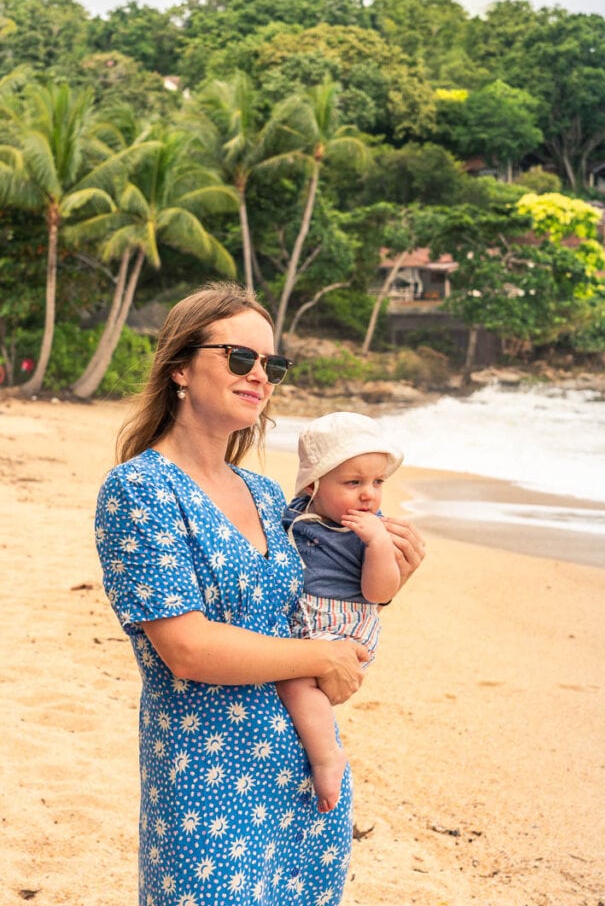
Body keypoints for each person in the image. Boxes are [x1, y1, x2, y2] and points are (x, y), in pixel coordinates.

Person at [94, 281, 424, 906]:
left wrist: (388, 578)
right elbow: (187, 649)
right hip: (206, 784)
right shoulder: (140, 489)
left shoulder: (269, 497)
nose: (260, 376)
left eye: (271, 365)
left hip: (304, 772)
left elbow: (311, 612)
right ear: (180, 369)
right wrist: (318, 659)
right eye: (240, 357)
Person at [278, 412, 404, 814]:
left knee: (294, 681)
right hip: (306, 617)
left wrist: (380, 546)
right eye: (354, 483)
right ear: (314, 484)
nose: (369, 494)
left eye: (377, 482)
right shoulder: (296, 514)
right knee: (288, 675)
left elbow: (379, 593)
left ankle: (327, 755)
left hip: (345, 622)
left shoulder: (372, 530)